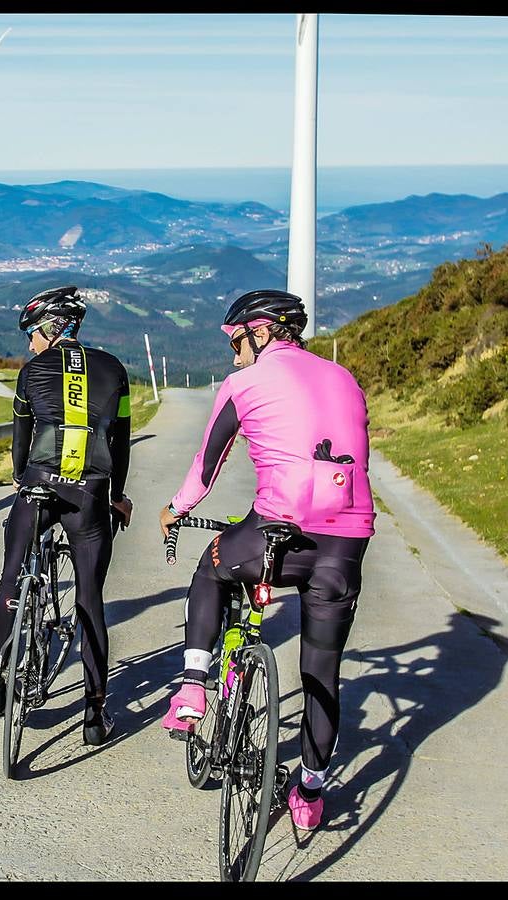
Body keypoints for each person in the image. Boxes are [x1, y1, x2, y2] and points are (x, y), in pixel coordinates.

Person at [157, 289, 374, 831]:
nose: (232, 352)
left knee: (212, 565)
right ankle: (309, 794)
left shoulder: (244, 383)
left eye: (235, 339)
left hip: (278, 531)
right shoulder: (346, 377)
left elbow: (208, 462)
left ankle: (191, 688)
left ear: (261, 331)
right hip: (347, 538)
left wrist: (175, 510)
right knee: (322, 670)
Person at [0, 285, 134, 747]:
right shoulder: (114, 370)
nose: (29, 344)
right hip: (89, 494)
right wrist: (117, 495)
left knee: (10, 576)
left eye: (33, 334)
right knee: (90, 599)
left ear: (52, 328)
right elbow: (119, 442)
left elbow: (22, 438)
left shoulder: (31, 373)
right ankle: (94, 713)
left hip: (39, 483)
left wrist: (20, 476)